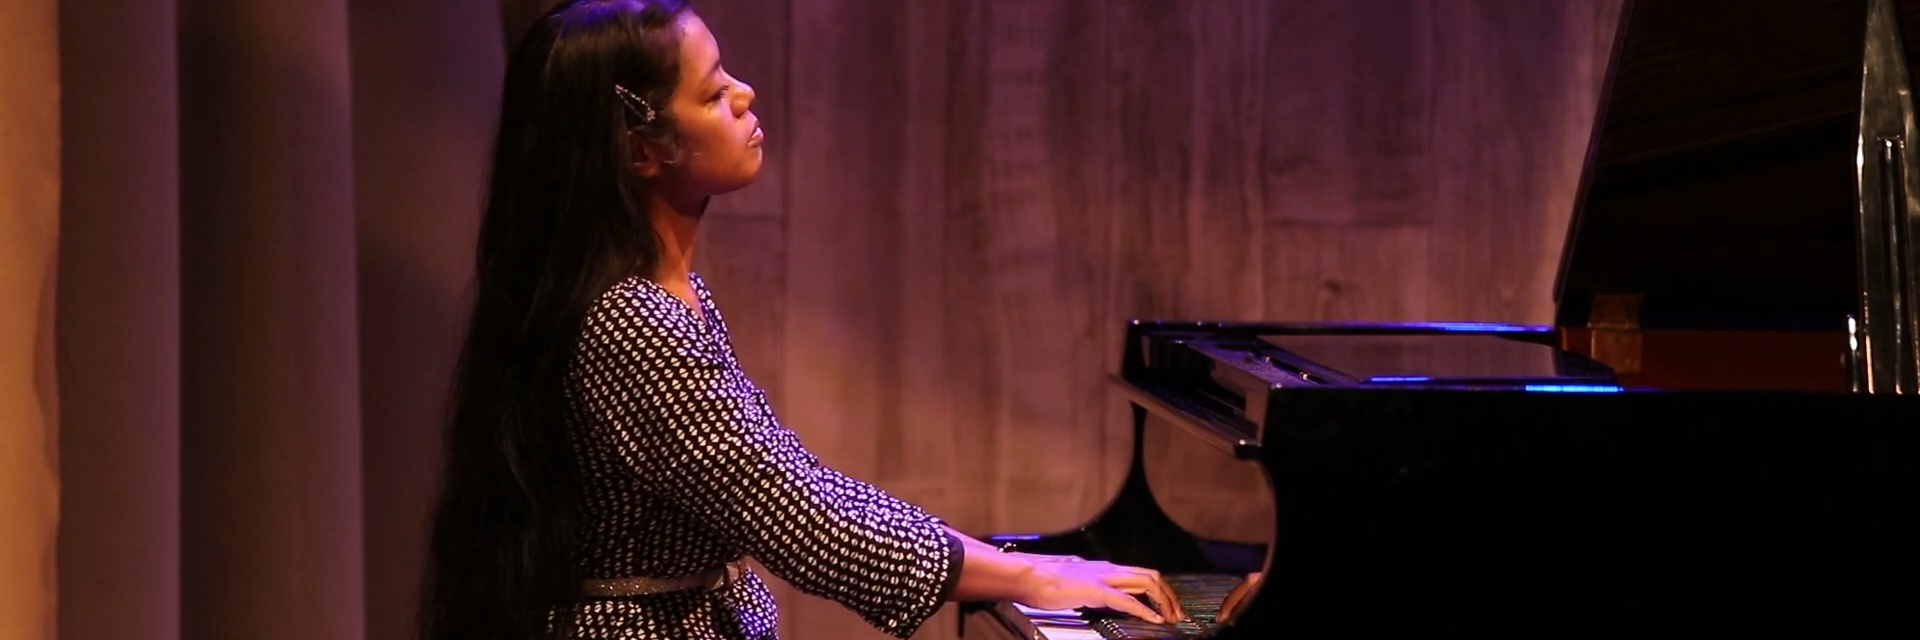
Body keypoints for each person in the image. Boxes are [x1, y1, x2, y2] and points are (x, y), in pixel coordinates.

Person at [419, 1, 1185, 638]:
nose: (747, 95)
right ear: (640, 149)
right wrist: (1028, 572)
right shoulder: (633, 321)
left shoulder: (658, 295)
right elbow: (799, 514)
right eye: (714, 94)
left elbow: (793, 486)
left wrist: (1009, 563)